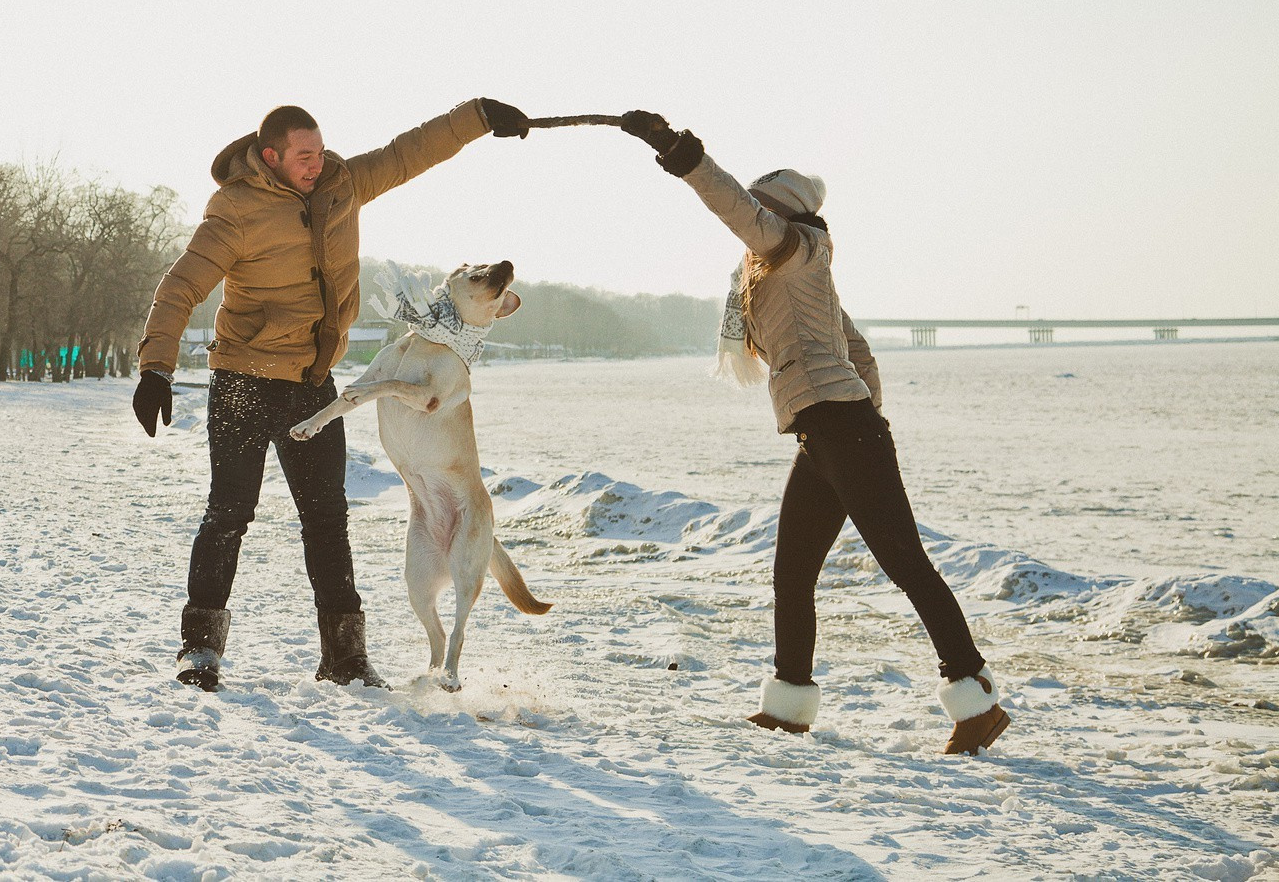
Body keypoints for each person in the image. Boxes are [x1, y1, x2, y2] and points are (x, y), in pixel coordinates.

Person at [618, 110, 1008, 755]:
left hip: (842, 431)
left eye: (761, 209)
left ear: (779, 214)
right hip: (827, 433)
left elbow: (733, 208)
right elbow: (861, 352)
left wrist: (675, 149)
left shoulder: (796, 249)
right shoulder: (792, 280)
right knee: (793, 573)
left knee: (906, 563)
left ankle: (976, 699)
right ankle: (789, 705)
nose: (753, 221)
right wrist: (861, 414)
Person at [133, 98, 531, 691]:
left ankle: (344, 656)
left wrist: (477, 117)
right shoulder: (236, 210)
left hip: (311, 386)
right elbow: (181, 285)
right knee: (228, 515)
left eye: (319, 152)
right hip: (244, 380)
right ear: (270, 157)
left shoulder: (342, 183)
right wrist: (156, 367)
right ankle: (200, 649)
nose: (317, 164)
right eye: (304, 156)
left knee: (327, 521)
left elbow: (407, 153)